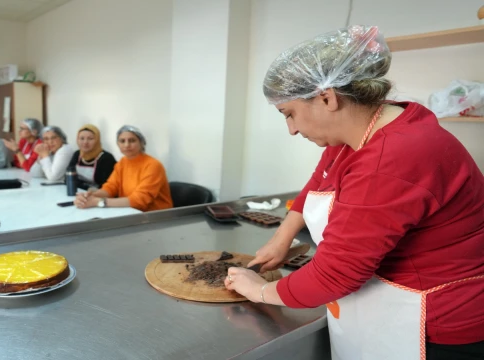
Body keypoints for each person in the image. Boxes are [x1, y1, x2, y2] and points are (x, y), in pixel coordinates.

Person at [224, 26, 484, 360]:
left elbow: (334, 275)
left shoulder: (392, 159)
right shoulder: (373, 125)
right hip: (389, 305)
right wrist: (282, 237)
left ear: (327, 98)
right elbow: (320, 179)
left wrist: (258, 290)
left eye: (289, 114)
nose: (291, 129)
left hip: (435, 327)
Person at [74, 125, 173, 212]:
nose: (126, 145)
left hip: (155, 217)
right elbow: (110, 188)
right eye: (122, 141)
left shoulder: (153, 165)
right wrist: (91, 196)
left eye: (132, 140)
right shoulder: (122, 162)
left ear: (141, 143)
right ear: (118, 144)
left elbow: (139, 200)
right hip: (129, 212)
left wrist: (98, 202)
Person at [67, 124, 116, 190]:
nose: (85, 142)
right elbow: (68, 177)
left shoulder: (106, 158)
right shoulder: (77, 154)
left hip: (99, 196)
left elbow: (107, 186)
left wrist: (80, 185)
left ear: (97, 140)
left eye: (90, 139)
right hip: (79, 193)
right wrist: (87, 187)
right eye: (82, 138)